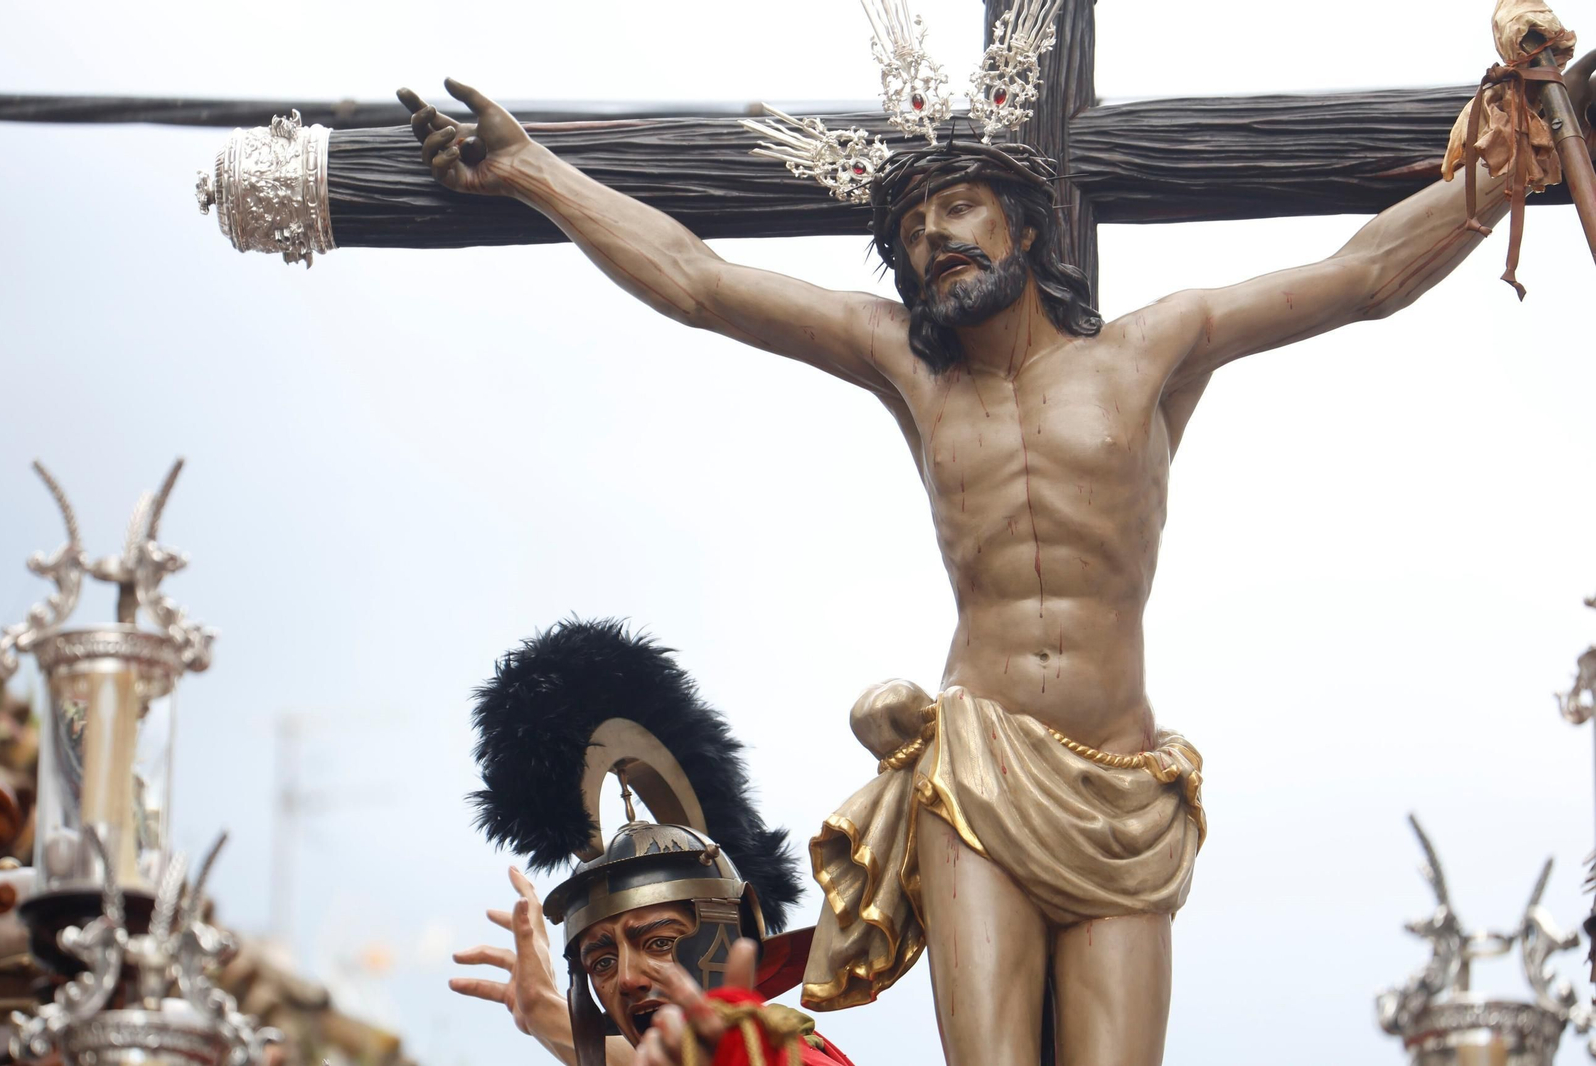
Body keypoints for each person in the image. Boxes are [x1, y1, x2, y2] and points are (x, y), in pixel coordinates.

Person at [400, 16, 1596, 1063]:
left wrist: (1516, 160)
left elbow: (1368, 274)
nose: (935, 237)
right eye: (913, 226)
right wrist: (533, 173)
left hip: (1125, 780)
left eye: (958, 208)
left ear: (1024, 222)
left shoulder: (1148, 350)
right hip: (972, 766)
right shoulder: (907, 373)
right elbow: (697, 281)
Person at [449, 619, 854, 1066]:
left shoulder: (785, 1055)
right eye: (601, 963)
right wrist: (547, 1015)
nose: (626, 980)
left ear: (725, 937)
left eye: (659, 942)